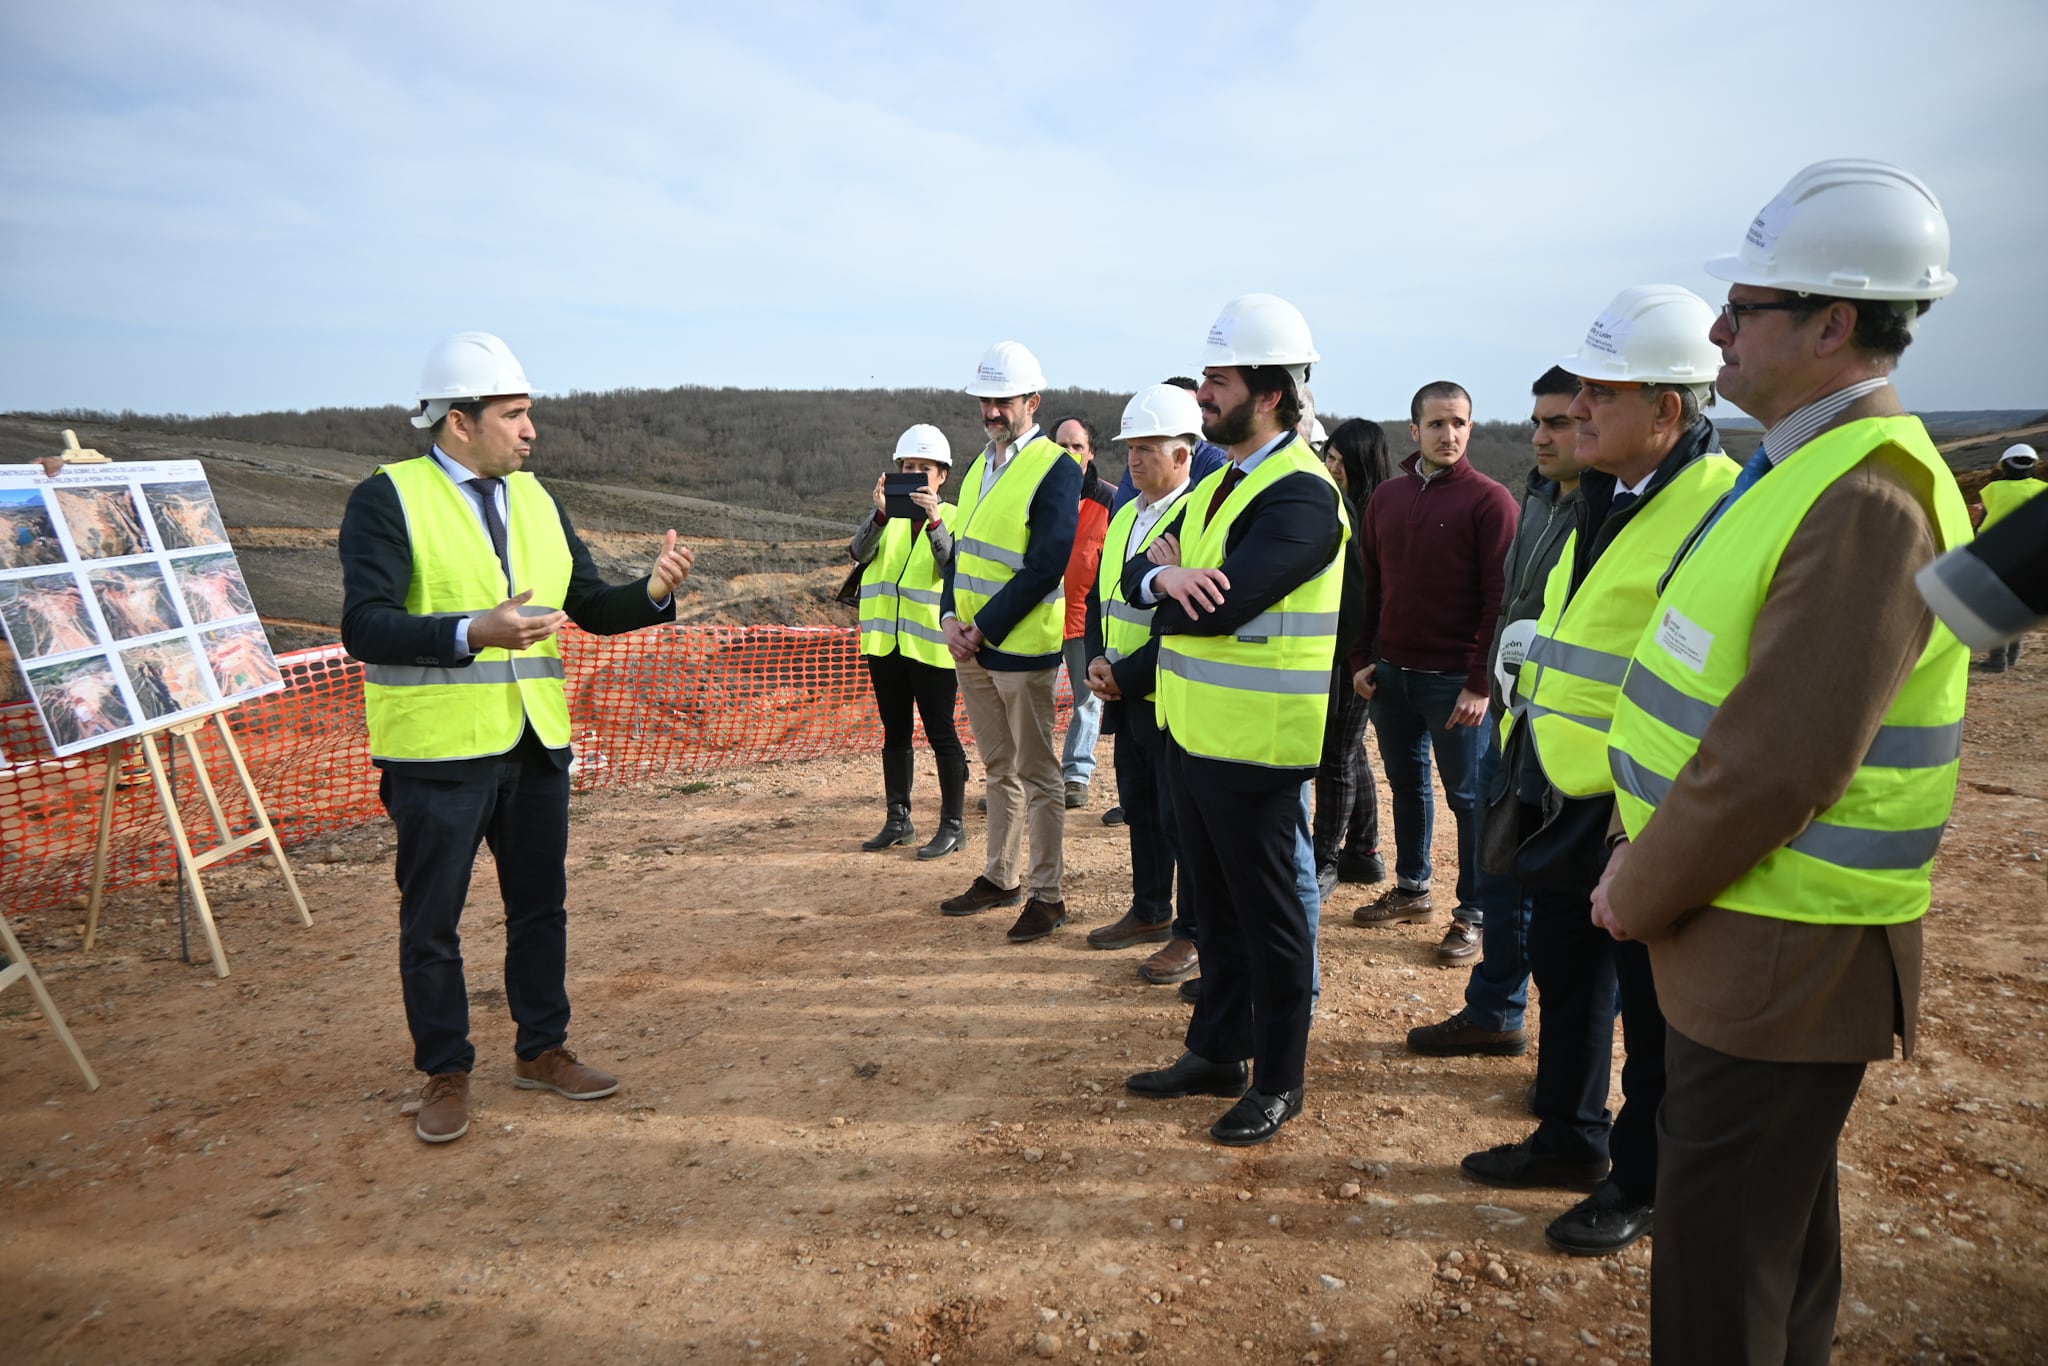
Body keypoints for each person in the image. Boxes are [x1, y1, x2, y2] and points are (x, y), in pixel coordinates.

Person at [1597, 160, 1968, 1364]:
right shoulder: (1797, 465)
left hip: (1780, 950)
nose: (1715, 332)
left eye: (1744, 307)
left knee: (1719, 1280)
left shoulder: (1866, 491)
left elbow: (1778, 761)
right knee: (1767, 1253)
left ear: (1832, 323)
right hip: (1741, 934)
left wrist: (1634, 885)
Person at [339, 331, 693, 1146]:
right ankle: (446, 1072)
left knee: (541, 907)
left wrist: (652, 591)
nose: (531, 431)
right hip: (438, 756)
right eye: (515, 414)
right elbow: (365, 625)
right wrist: (473, 630)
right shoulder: (387, 498)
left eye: (530, 413)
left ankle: (542, 1049)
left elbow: (593, 607)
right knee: (433, 922)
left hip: (534, 746)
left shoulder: (537, 498)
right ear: (458, 422)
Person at [1459, 287, 1738, 1260]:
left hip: (1640, 813)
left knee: (1651, 1018)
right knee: (1566, 980)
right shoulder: (1603, 497)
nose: (1574, 410)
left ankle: (1639, 1181)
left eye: (1596, 394)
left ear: (1667, 409)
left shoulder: (1713, 509)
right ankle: (1567, 1135)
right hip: (1562, 794)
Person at [1124, 294, 1346, 1147]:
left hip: (1255, 747)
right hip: (1194, 733)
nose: (1204, 395)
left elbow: (1221, 604)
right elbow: (1149, 567)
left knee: (1271, 922)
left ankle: (1279, 1080)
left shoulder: (1299, 497)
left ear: (1274, 393)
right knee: (1212, 911)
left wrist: (1180, 587)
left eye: (1218, 380)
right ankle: (1216, 1051)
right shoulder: (1225, 481)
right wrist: (1164, 579)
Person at [1409, 364, 1585, 1040]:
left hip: (1570, 739)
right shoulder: (1542, 499)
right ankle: (1495, 1010)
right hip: (1517, 725)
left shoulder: (1589, 509)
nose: (1541, 437)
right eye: (1537, 422)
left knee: (1554, 901)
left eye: (1559, 423)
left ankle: (1559, 1058)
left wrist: (1476, 685)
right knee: (1501, 866)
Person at [1350, 382, 1518, 964]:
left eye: (1460, 423)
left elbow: (1501, 598)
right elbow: (1373, 585)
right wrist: (1362, 659)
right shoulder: (1387, 499)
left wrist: (1480, 682)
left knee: (1470, 802)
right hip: (1392, 676)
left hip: (1456, 684)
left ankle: (1474, 912)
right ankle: (1414, 887)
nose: (1450, 435)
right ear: (1414, 430)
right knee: (1409, 786)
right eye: (1438, 424)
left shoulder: (1491, 501)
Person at [938, 342, 1082, 942]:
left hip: (1020, 650)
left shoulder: (1057, 467)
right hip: (971, 647)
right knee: (998, 768)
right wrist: (949, 615)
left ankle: (1047, 895)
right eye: (986, 400)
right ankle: (1001, 877)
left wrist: (983, 628)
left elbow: (1046, 564)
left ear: (1033, 402)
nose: (992, 410)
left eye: (1003, 400)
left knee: (1039, 774)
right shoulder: (980, 465)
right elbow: (961, 550)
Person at [1081, 385, 1201, 971]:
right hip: (1124, 692)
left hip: (1168, 689)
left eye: (1149, 447)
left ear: (1183, 455)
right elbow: (1103, 598)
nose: (1134, 458)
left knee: (1182, 817)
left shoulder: (1199, 517)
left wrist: (1123, 674)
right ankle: (1150, 907)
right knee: (1141, 808)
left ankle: (1192, 928)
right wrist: (1097, 662)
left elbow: (1183, 620)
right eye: (1131, 446)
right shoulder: (1126, 514)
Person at [849, 424, 966, 859]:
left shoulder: (952, 516)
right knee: (895, 732)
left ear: (941, 476)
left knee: (942, 734)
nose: (915, 474)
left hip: (932, 647)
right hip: (885, 644)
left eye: (924, 468)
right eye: (907, 467)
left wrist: (934, 519)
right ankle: (899, 819)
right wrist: (879, 514)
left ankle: (953, 825)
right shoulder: (887, 518)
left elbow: (949, 565)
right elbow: (858, 553)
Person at [1312, 419, 1391, 900]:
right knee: (1350, 750)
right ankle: (1364, 851)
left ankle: (1324, 859)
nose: (1330, 466)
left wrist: (1364, 656)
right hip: (1344, 652)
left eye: (1339, 460)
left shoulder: (1375, 512)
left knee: (1335, 758)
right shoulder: (1341, 505)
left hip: (1360, 657)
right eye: (1329, 457)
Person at [1054, 417, 1114, 807]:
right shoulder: (1034, 492)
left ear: (1090, 453)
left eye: (1076, 446)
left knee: (1086, 702)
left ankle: (1076, 774)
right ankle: (1027, 779)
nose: (1069, 453)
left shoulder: (1109, 499)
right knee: (1029, 707)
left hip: (1082, 619)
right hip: (1034, 619)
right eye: (1061, 445)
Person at [1971, 444, 2041, 672]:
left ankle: (1997, 660)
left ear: (2004, 465)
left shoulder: (1994, 489)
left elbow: (1984, 520)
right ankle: (2013, 656)